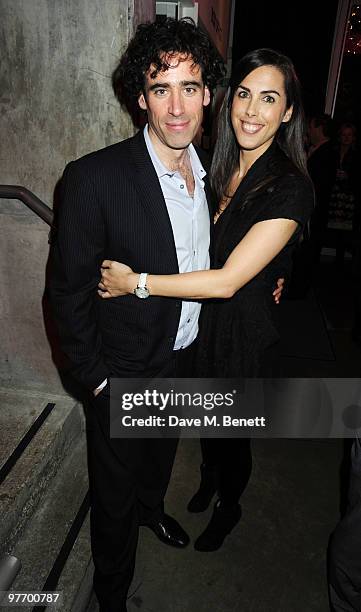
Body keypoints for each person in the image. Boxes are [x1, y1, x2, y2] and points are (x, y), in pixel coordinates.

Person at [98, 48, 314, 552]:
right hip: (197, 325)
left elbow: (225, 280)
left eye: (268, 99)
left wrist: (138, 283)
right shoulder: (215, 164)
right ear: (226, 99)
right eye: (243, 95)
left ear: (286, 113)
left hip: (241, 332)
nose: (251, 112)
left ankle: (229, 505)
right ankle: (210, 479)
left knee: (231, 432)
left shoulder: (289, 185)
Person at [49, 17, 225, 612]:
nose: (176, 107)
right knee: (114, 496)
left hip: (184, 357)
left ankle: (155, 512)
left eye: (189, 86)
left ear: (208, 94)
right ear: (139, 97)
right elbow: (66, 296)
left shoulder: (211, 175)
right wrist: (96, 381)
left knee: (160, 459)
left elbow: (216, 261)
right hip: (123, 373)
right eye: (160, 88)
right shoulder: (93, 179)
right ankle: (113, 591)